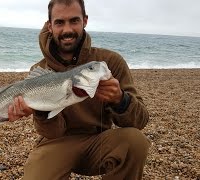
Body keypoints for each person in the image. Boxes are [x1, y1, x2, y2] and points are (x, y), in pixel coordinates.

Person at [8, 0, 150, 179]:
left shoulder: (108, 62)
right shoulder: (40, 73)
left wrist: (120, 100)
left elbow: (141, 121)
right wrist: (41, 112)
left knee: (135, 142)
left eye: (74, 20)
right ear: (49, 26)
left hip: (99, 143)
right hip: (56, 144)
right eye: (59, 22)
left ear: (85, 21)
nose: (67, 30)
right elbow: (52, 133)